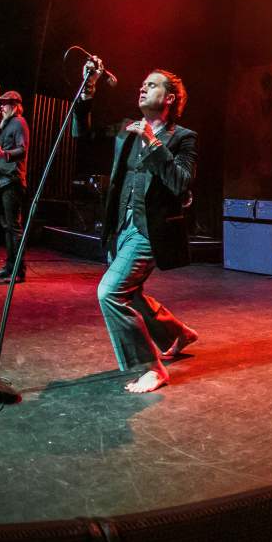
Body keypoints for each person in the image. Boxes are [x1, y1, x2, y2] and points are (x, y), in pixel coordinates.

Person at [74, 59, 199, 394]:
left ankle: (150, 368)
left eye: (152, 84)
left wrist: (153, 143)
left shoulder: (183, 138)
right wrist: (88, 89)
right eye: (142, 84)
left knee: (110, 292)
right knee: (131, 292)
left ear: (170, 98)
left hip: (150, 233)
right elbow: (83, 133)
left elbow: (181, 182)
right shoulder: (126, 129)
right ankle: (176, 334)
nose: (143, 87)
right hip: (121, 228)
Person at [0, 91, 29, 282]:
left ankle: (19, 271)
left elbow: (22, 150)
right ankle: (10, 266)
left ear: (14, 105)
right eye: (1, 104)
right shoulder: (5, 125)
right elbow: (0, 154)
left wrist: (3, 154)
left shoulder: (19, 123)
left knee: (14, 227)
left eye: (5, 104)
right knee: (7, 227)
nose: (1, 107)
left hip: (12, 181)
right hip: (2, 179)